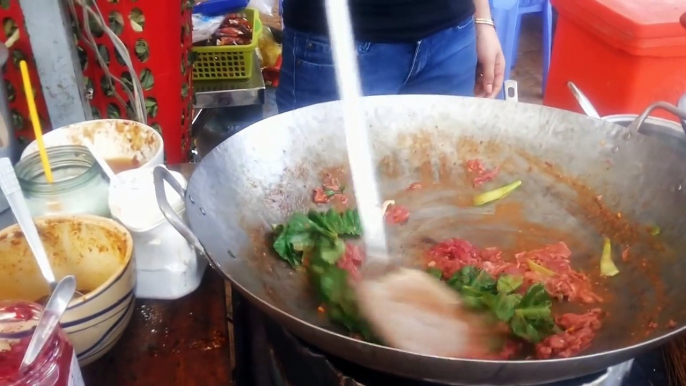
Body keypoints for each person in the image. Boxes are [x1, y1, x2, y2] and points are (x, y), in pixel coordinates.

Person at [276, 0, 506, 113]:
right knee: (326, 182)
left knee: (442, 182)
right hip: (337, 46)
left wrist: (483, 19)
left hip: (451, 41)